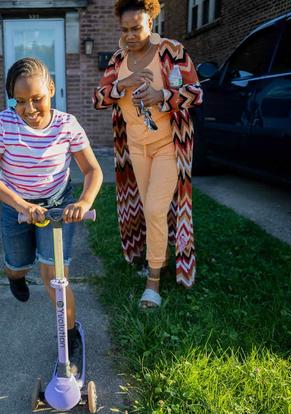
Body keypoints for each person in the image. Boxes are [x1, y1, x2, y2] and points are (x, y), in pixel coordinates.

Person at [0, 57, 103, 373]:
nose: (29, 109)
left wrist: (85, 202)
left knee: (55, 279)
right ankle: (15, 277)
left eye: (37, 99)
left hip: (58, 205)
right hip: (16, 205)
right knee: (17, 264)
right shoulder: (3, 124)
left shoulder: (67, 124)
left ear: (51, 89)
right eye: (20, 101)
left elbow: (92, 169)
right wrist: (21, 205)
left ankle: (69, 336)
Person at [93, 0, 202, 308]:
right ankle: (159, 255)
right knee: (147, 206)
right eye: (125, 29)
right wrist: (121, 85)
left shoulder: (172, 52)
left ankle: (153, 282)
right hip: (135, 147)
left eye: (137, 28)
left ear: (151, 23)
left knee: (155, 208)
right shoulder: (118, 61)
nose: (130, 35)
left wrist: (163, 96)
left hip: (169, 144)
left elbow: (196, 92)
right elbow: (98, 98)